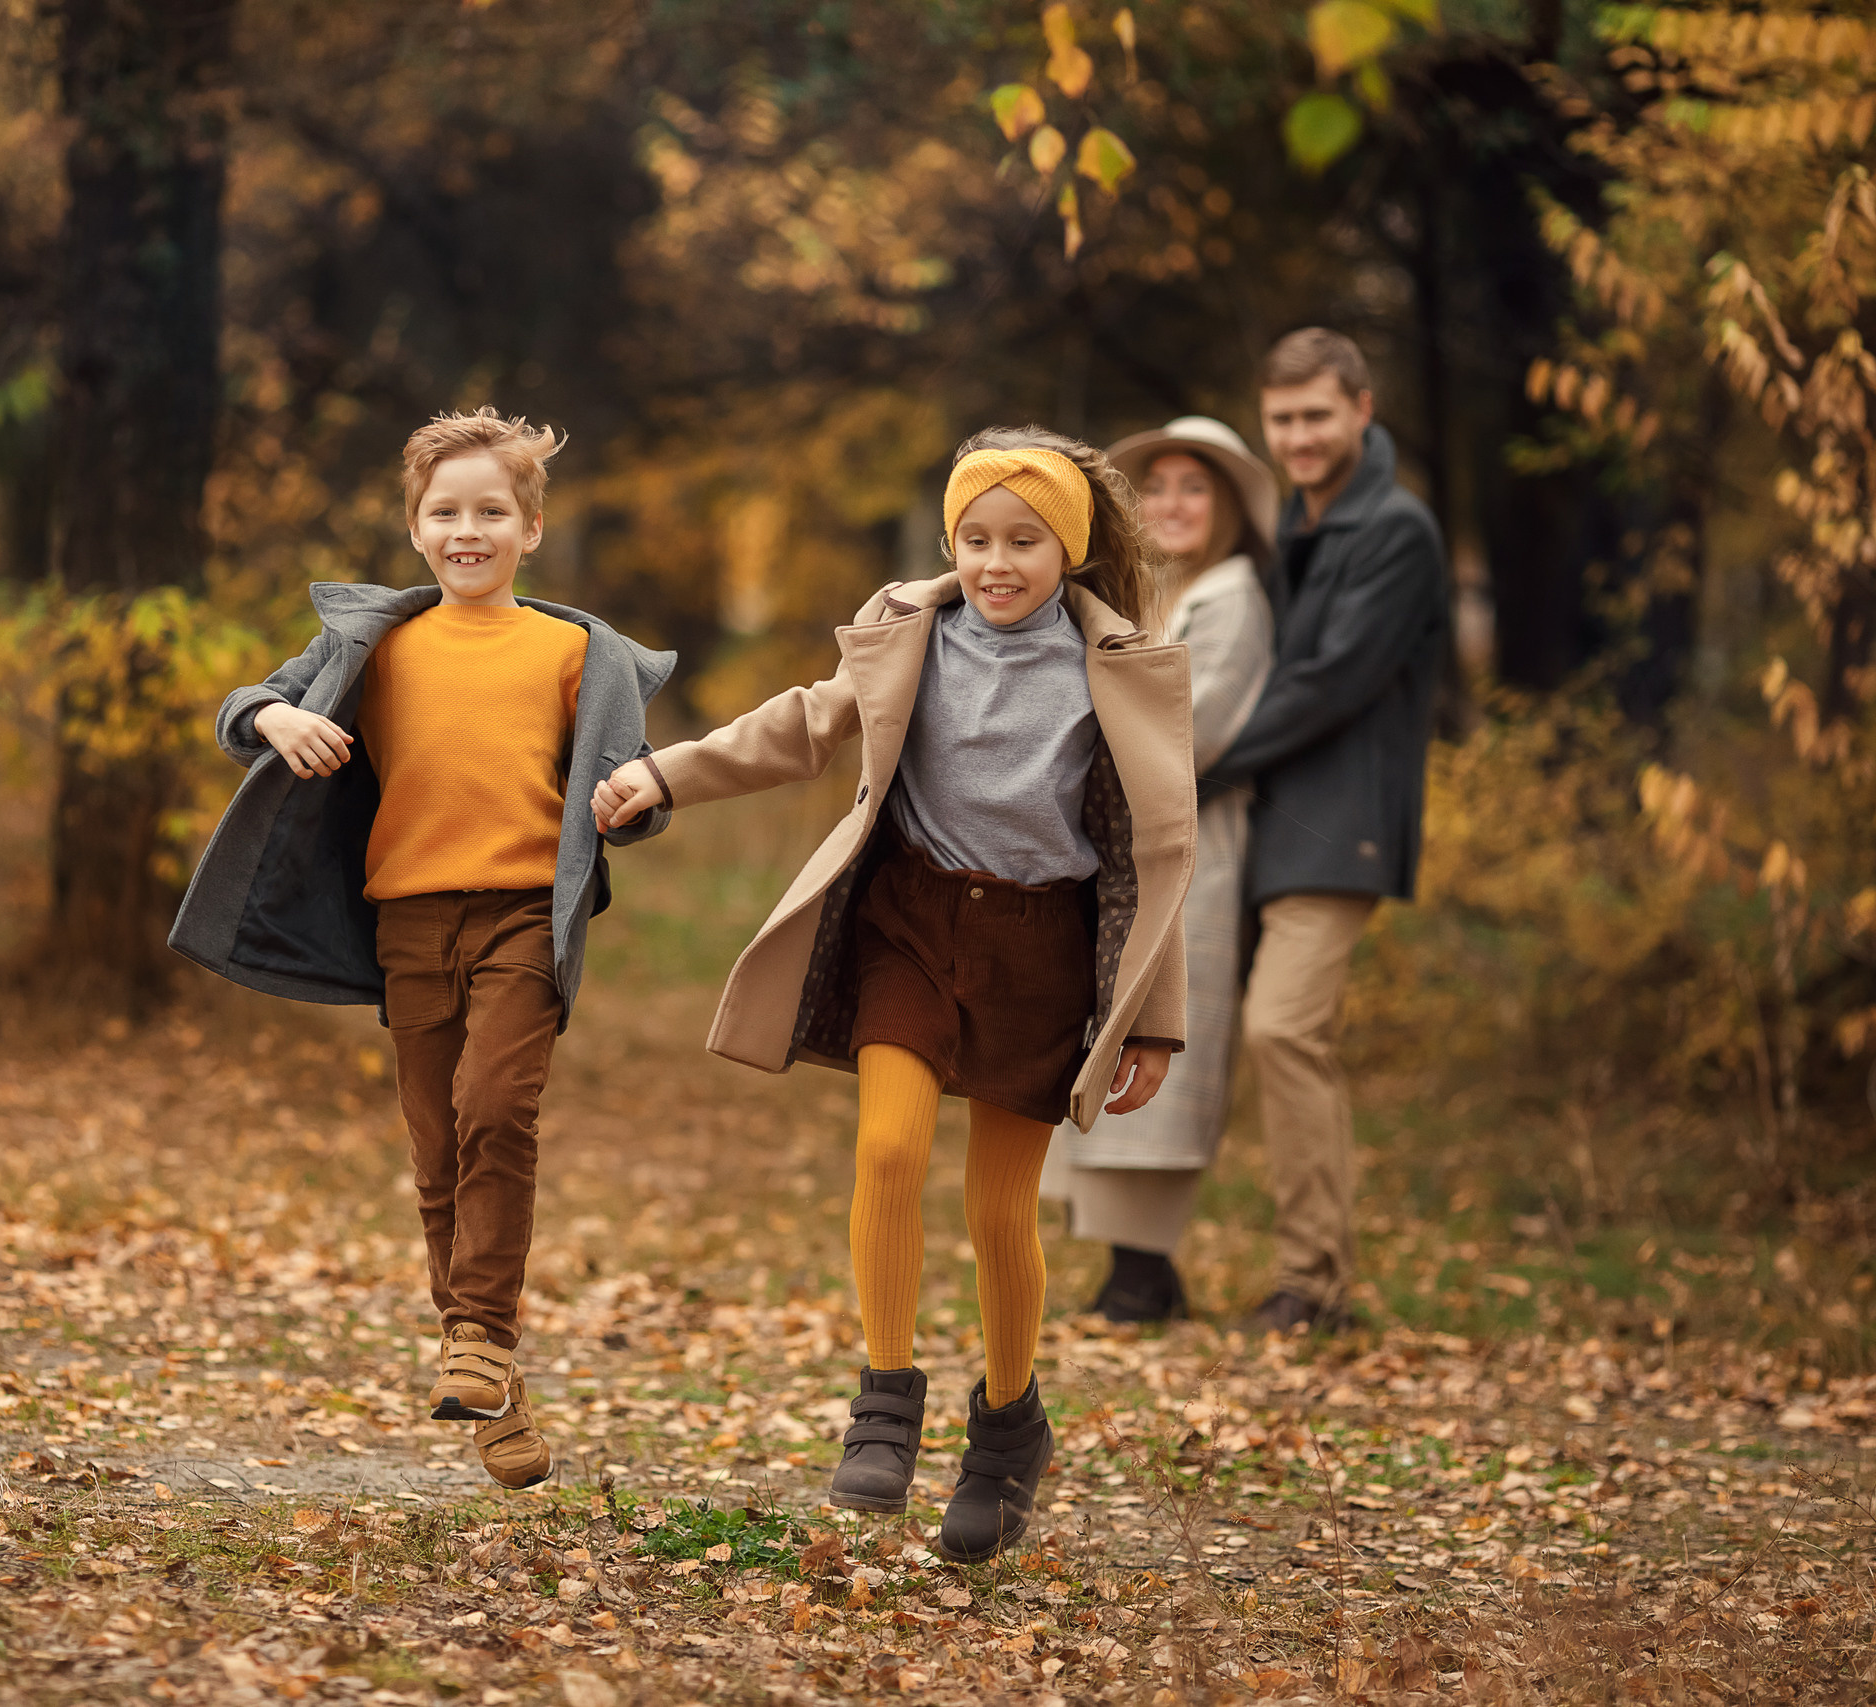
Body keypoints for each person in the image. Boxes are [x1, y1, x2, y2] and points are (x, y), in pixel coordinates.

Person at [592, 427, 1194, 1564]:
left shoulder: (1116, 673)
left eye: (1023, 541)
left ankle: (1010, 1430)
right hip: (910, 928)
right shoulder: (911, 637)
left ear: (1065, 551)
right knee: (886, 1154)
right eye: (975, 539)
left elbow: (1152, 853)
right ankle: (884, 1401)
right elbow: (800, 726)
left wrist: (1151, 1018)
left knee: (1000, 1211)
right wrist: (661, 769)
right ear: (949, 543)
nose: (996, 563)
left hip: (1041, 953)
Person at [169, 407, 676, 1488]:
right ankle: (490, 1378)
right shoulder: (377, 641)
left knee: (496, 1109)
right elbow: (238, 705)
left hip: (523, 916)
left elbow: (637, 786)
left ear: (530, 529)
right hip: (405, 919)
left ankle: (481, 1336)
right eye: (445, 512)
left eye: (492, 511)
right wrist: (276, 722)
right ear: (414, 529)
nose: (468, 531)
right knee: (437, 1149)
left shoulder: (578, 651)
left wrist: (631, 803)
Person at [1207, 328, 1448, 1335]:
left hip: (1338, 818)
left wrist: (1196, 765)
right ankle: (1161, 1261)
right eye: (1281, 419)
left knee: (1283, 1028)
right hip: (1265, 818)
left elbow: (1324, 687)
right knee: (1226, 1028)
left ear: (1361, 408)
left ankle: (1313, 1282)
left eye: (1316, 415)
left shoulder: (1395, 531)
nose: (1298, 436)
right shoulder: (1293, 525)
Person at [1051, 417, 1279, 1323]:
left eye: (1197, 486)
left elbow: (1197, 732)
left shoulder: (1230, 596)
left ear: (1226, 505)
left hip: (1185, 847)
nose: (1173, 504)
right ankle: (1135, 1267)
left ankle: (1144, 1266)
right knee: (1102, 1029)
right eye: (1160, 487)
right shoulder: (1146, 593)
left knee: (1165, 1039)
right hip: (1117, 845)